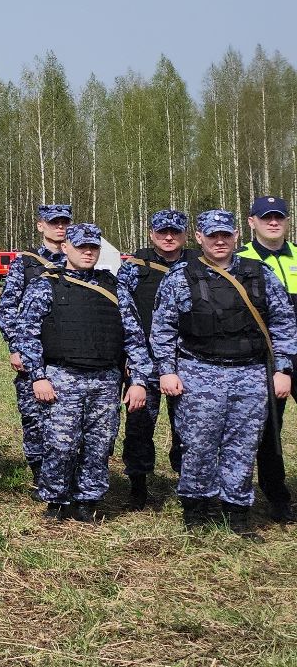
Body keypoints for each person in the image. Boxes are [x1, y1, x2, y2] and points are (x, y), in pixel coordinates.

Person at [150, 210, 297, 534]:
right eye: (212, 235)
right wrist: (166, 371)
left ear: (235, 237)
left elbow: (283, 323)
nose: (219, 241)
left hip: (250, 375)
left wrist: (283, 368)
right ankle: (196, 511)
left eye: (225, 235)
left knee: (242, 447)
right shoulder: (181, 276)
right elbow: (162, 329)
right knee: (198, 444)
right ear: (199, 238)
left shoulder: (258, 274)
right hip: (198, 373)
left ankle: (237, 514)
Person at [13, 223, 152, 522]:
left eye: (93, 247)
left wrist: (138, 380)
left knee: (99, 444)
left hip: (105, 379)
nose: (88, 252)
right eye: (81, 247)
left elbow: (134, 338)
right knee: (60, 444)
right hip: (62, 377)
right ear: (66, 248)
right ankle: (56, 499)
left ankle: (87, 500)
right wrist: (38, 376)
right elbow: (27, 335)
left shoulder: (114, 287)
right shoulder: (45, 284)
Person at [115, 208, 197, 508]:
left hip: (188, 362)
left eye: (174, 231)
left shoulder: (199, 264)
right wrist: (130, 356)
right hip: (144, 361)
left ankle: (187, 483)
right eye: (162, 231)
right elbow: (123, 314)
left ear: (185, 235)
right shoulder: (134, 267)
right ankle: (138, 485)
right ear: (151, 234)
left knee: (188, 427)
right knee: (139, 425)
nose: (168, 237)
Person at [0, 202, 72, 480]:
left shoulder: (81, 260)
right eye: (54, 222)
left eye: (64, 222)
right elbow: (7, 308)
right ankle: (39, 473)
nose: (60, 227)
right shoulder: (26, 262)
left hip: (69, 354)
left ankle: (67, 473)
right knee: (34, 418)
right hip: (34, 353)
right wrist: (16, 347)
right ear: (41, 225)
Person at [236, 195, 296, 524]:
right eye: (266, 217)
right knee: (270, 430)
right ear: (252, 222)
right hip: (267, 359)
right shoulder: (239, 259)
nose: (273, 222)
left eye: (279, 217)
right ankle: (277, 496)